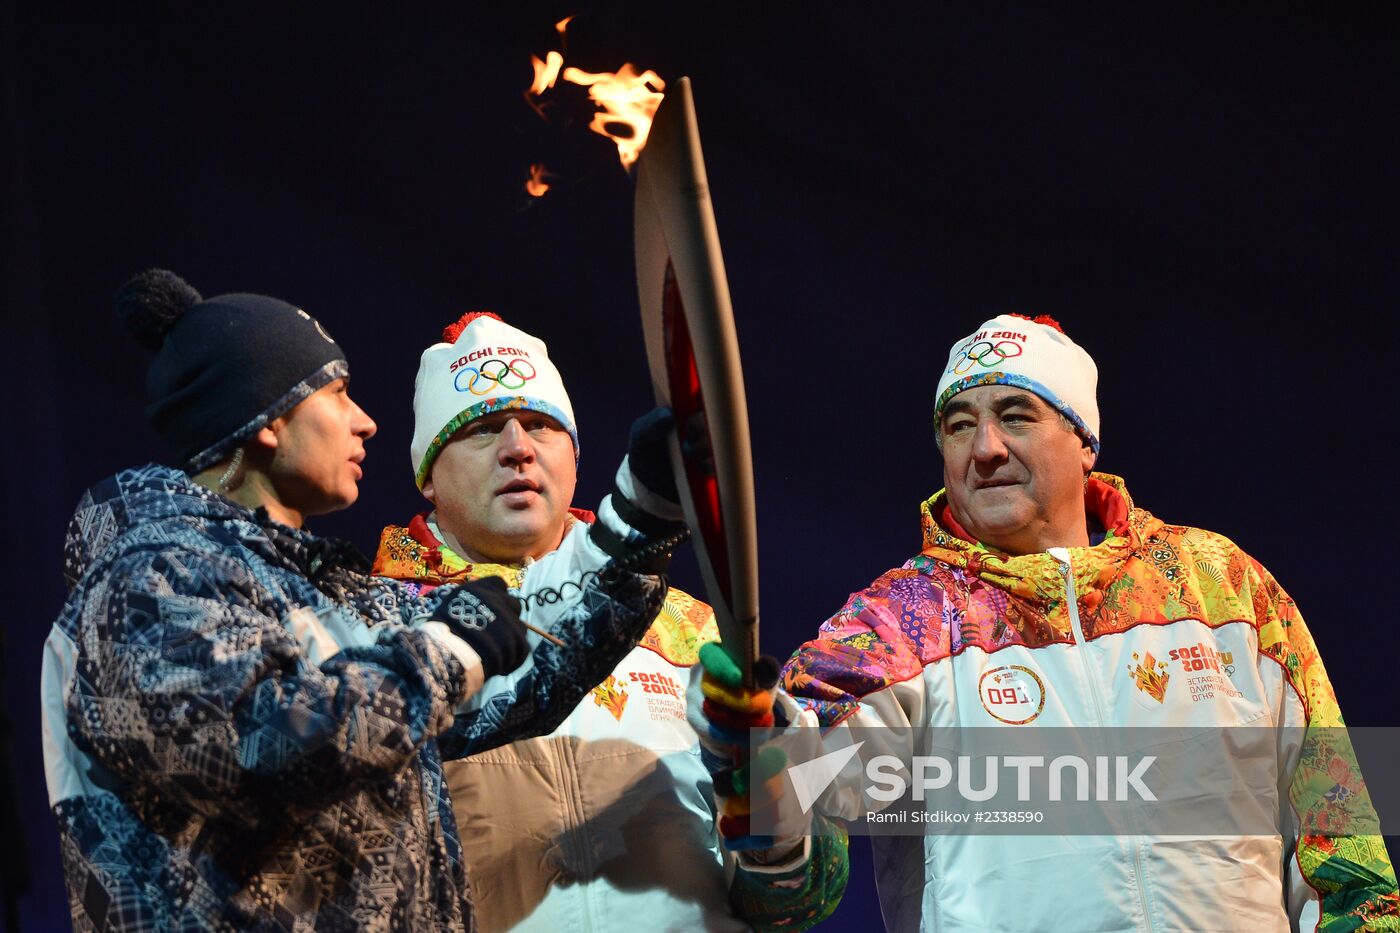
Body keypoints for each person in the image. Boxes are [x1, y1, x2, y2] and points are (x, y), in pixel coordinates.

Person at [693, 314, 1399, 931]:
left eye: (1016, 415)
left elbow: (1338, 839)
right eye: (959, 425)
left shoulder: (1222, 589)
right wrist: (758, 746)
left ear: (1084, 440)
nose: (985, 448)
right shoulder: (904, 619)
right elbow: (803, 786)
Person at [40, 271, 678, 932]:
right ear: (270, 419)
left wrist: (642, 514)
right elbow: (252, 750)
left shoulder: (328, 596)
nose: (366, 422)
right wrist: (446, 651)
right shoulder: (144, 582)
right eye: (338, 394)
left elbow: (515, 666)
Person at [371, 311, 748, 931]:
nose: (518, 448)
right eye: (482, 429)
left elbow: (798, 894)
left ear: (573, 455)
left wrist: (777, 812)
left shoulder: (686, 625)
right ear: (428, 477)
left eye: (541, 426)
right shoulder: (376, 636)